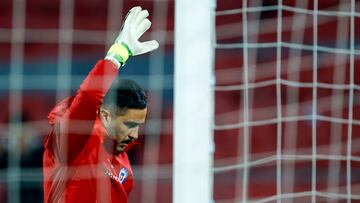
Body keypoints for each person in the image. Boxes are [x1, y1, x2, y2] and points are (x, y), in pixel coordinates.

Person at [42, 6, 159, 203]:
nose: (135, 135)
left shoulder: (125, 168)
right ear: (105, 115)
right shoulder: (75, 140)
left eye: (138, 126)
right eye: (130, 124)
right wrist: (118, 55)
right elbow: (87, 97)